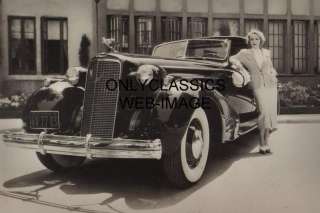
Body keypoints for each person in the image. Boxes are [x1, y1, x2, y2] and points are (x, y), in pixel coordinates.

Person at [229, 29, 278, 154]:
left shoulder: (266, 53)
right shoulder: (245, 52)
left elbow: (271, 68)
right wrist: (238, 65)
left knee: (270, 114)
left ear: (261, 40)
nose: (254, 41)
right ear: (249, 41)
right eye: (251, 39)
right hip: (257, 85)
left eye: (256, 39)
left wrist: (273, 74)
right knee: (263, 112)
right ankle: (261, 143)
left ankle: (267, 143)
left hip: (270, 85)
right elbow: (232, 59)